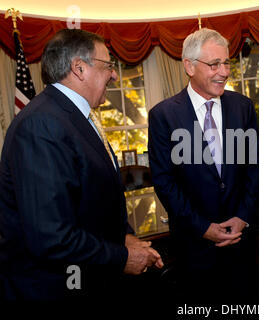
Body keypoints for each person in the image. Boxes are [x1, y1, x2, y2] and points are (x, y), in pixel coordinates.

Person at [0, 29, 163, 300]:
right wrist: (121, 256)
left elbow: (88, 204)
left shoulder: (73, 116)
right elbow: (50, 237)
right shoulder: (41, 124)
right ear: (79, 68)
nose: (113, 74)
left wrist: (121, 237)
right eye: (108, 65)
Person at [148, 28, 259, 302]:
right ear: (189, 66)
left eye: (226, 63)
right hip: (193, 247)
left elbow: (253, 169)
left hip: (240, 243)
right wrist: (203, 227)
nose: (224, 72)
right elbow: (165, 182)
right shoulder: (164, 115)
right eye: (214, 64)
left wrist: (243, 216)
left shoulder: (243, 107)